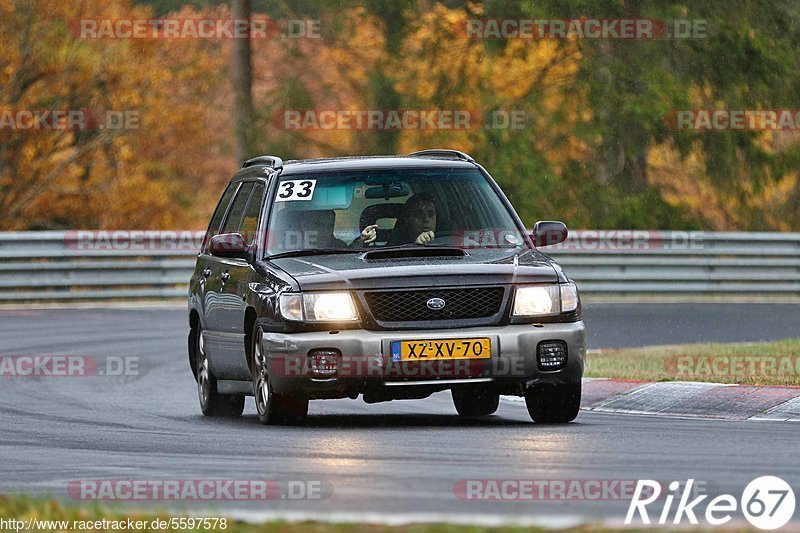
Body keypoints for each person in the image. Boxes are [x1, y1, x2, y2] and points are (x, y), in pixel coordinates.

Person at [361, 193, 437, 246]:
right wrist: (362, 241)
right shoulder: (396, 248)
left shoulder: (447, 243)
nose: (426, 219)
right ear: (407, 220)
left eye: (431, 214)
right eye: (418, 214)